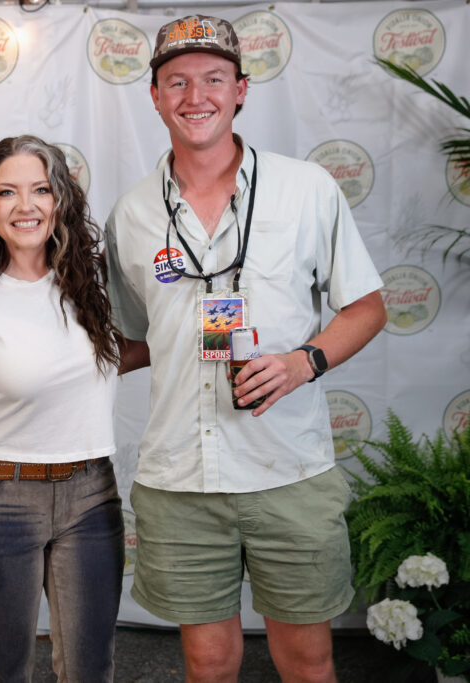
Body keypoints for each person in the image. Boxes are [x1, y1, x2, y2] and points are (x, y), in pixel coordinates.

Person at [105, 15, 387, 682]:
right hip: (181, 478)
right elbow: (134, 342)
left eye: (213, 78)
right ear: (154, 96)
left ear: (241, 90)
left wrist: (302, 362)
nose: (195, 96)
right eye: (177, 81)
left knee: (308, 661)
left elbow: (368, 307)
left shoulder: (306, 189)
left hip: (287, 466)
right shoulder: (132, 213)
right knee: (206, 662)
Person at [0, 135, 124, 681]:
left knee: (90, 669)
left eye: (40, 189)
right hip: (1, 501)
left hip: (91, 497)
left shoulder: (95, 287)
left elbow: (136, 346)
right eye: (7, 192)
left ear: (60, 199)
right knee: (4, 669)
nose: (25, 206)